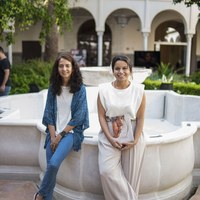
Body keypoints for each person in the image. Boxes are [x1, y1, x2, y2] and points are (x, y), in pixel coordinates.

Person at [34, 53, 89, 200]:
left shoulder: (79, 89)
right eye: (61, 66)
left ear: (73, 68)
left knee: (52, 165)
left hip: (70, 133)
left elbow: (79, 117)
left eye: (67, 66)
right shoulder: (53, 88)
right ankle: (48, 197)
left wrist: (59, 136)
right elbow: (48, 114)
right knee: (51, 169)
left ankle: (39, 195)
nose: (64, 69)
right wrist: (52, 136)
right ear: (57, 68)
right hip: (53, 133)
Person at [97, 55, 146, 200]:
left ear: (130, 70)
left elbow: (141, 117)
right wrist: (110, 138)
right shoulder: (103, 90)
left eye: (124, 68)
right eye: (117, 68)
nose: (121, 71)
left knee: (131, 178)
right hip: (110, 132)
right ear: (112, 70)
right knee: (106, 171)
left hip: (132, 132)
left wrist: (135, 140)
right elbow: (101, 116)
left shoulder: (139, 90)